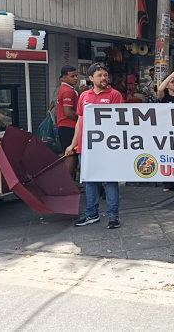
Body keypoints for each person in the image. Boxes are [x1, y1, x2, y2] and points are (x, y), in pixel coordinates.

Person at [66, 63, 124, 229]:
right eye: (99, 75)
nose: (104, 78)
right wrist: (73, 144)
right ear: (91, 78)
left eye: (105, 75)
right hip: (86, 147)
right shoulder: (84, 96)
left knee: (110, 181)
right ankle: (92, 214)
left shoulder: (115, 95)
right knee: (90, 181)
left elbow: (121, 121)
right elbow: (79, 121)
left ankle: (113, 215)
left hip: (107, 146)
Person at [56, 66, 79, 178]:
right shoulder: (67, 91)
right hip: (68, 125)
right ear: (64, 78)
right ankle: (67, 184)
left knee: (72, 154)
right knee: (71, 154)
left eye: (76, 75)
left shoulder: (66, 89)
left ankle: (70, 184)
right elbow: (68, 112)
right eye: (72, 76)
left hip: (65, 125)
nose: (75, 78)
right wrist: (81, 121)